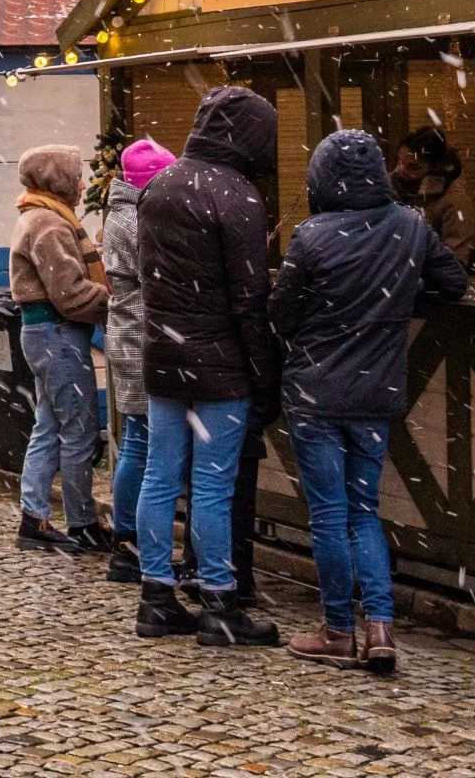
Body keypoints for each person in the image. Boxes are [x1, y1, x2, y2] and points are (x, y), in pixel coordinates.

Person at [275, 129, 466, 673]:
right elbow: (453, 285)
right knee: (364, 513)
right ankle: (380, 628)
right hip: (376, 392)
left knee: (329, 516)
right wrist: (399, 298)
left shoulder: (310, 237)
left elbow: (281, 315)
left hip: (316, 394)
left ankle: (338, 630)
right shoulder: (409, 224)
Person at [133, 85, 281, 647]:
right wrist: (263, 376)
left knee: (159, 476)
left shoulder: (160, 186)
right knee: (214, 485)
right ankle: (220, 602)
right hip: (218, 364)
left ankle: (156, 598)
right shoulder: (237, 194)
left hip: (163, 356)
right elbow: (249, 300)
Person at [9, 144, 111, 556]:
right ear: (57, 179)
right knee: (78, 431)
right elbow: (69, 293)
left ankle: (34, 518)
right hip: (58, 333)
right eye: (76, 175)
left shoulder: (35, 216)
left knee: (49, 426)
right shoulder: (50, 224)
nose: (83, 184)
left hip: (43, 333)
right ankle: (82, 521)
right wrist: (114, 298)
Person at [102, 138, 177, 583]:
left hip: (128, 337)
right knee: (142, 443)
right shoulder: (138, 219)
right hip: (140, 339)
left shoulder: (120, 213)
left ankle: (126, 542)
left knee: (137, 440)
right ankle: (132, 543)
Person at [392, 126, 475, 269]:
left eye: (413, 167)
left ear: (434, 168)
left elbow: (455, 264)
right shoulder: (391, 189)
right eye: (399, 162)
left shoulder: (455, 202)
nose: (402, 171)